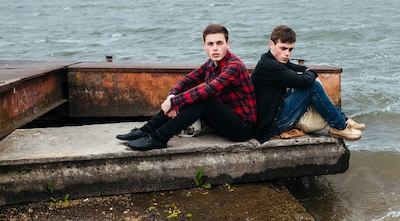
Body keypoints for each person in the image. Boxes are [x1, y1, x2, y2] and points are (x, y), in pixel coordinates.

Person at [116, 24, 256, 150]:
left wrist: (173, 102)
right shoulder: (211, 64)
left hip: (241, 128)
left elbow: (208, 90)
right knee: (192, 97)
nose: (215, 48)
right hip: (222, 120)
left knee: (202, 99)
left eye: (219, 43)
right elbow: (187, 80)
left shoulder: (234, 66)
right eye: (210, 44)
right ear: (204, 46)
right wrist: (172, 96)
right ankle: (146, 130)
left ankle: (159, 138)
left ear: (228, 44)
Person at [251, 25, 365, 143]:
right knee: (312, 87)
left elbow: (295, 67)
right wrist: (310, 73)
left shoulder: (270, 59)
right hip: (272, 125)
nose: (287, 54)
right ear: (271, 44)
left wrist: (307, 71)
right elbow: (306, 80)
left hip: (273, 113)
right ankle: (340, 126)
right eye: (283, 48)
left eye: (290, 49)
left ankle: (342, 119)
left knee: (306, 86)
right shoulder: (271, 66)